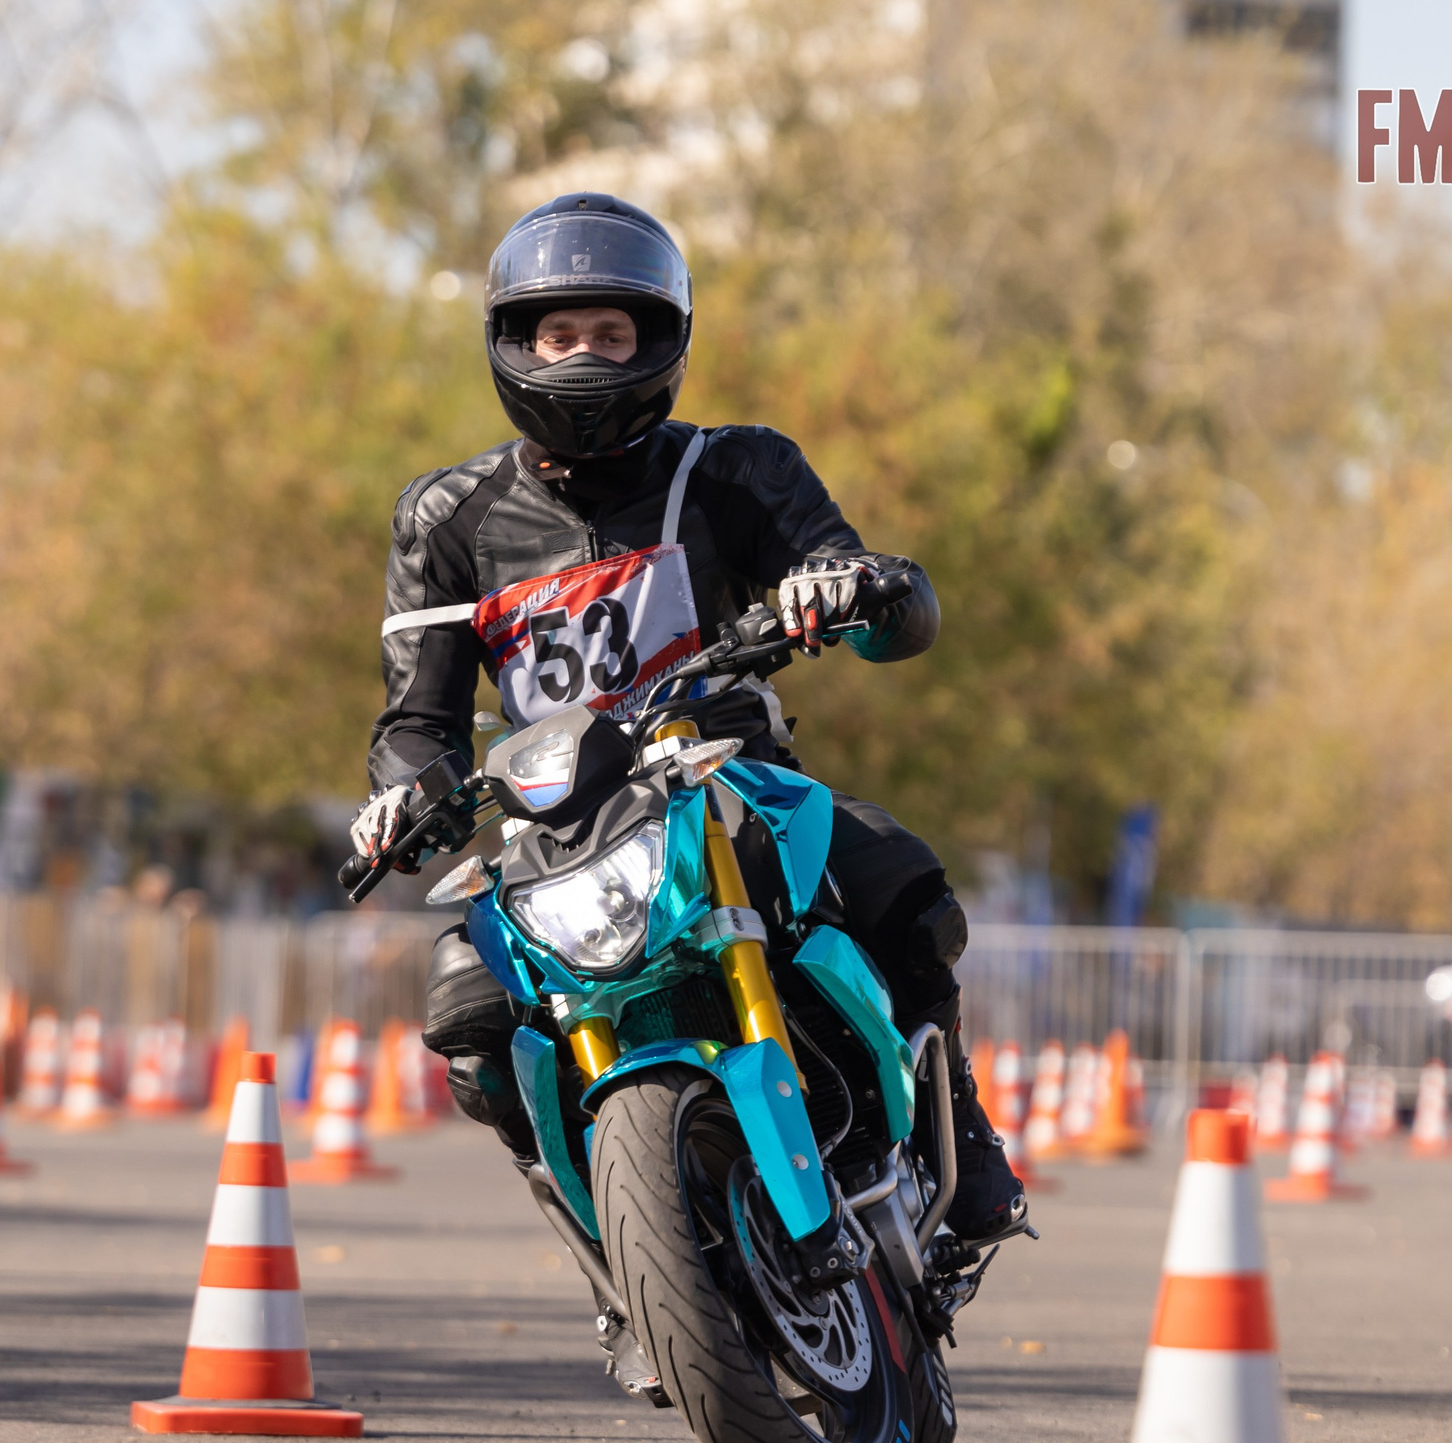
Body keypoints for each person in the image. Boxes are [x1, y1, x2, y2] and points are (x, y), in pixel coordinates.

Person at [354, 193, 1025, 1254]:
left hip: (725, 780)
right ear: (514, 343)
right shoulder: (445, 519)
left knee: (897, 880)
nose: (582, 355)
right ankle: (612, 1246)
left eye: (610, 333)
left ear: (659, 341)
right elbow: (417, 719)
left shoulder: (734, 470)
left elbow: (858, 579)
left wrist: (840, 586)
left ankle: (962, 1130)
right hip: (555, 830)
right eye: (557, 333)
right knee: (467, 1014)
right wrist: (402, 795)